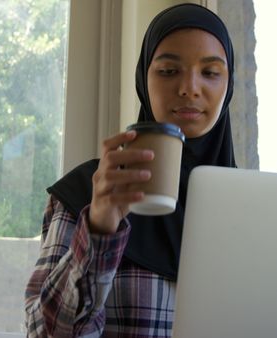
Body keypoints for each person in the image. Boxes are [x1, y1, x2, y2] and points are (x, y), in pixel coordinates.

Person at [24, 3, 236, 337]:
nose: (189, 88)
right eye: (168, 71)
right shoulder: (87, 191)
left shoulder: (250, 206)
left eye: (210, 73)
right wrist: (98, 227)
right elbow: (42, 334)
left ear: (229, 85)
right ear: (143, 79)